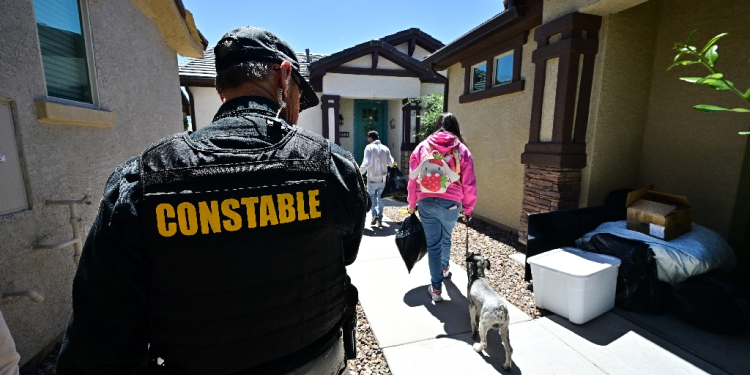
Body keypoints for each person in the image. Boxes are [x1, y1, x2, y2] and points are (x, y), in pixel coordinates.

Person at [56, 26, 368, 375]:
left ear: (222, 91)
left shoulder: (141, 182)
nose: (297, 106)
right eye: (298, 94)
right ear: (284, 77)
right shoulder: (333, 166)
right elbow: (348, 249)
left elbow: (98, 345)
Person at [407, 113, 477, 302]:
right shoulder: (462, 150)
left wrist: (412, 203)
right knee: (446, 236)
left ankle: (436, 289)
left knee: (433, 244)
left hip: (426, 201)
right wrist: (468, 209)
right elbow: (469, 183)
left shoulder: (422, 147)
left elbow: (413, 179)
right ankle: (444, 268)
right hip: (451, 203)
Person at [359, 130, 394, 227]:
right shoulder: (385, 148)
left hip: (372, 178)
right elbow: (391, 163)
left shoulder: (369, 148)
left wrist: (359, 173)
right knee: (381, 199)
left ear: (370, 138)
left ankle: (374, 214)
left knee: (371, 198)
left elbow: (366, 163)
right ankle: (380, 219)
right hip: (383, 178)